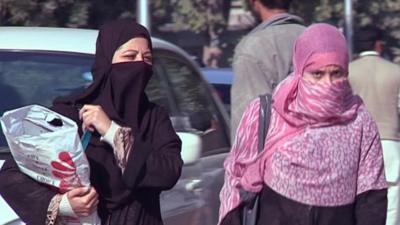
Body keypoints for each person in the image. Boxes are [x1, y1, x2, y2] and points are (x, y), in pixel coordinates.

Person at [0, 19, 183, 225]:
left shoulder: (154, 118)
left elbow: (168, 172)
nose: (140, 64)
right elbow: (10, 176)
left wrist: (113, 132)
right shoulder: (69, 117)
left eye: (147, 58)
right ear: (106, 63)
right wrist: (62, 205)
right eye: (129, 56)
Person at [219, 23, 388, 225]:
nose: (327, 84)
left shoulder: (359, 120)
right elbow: (236, 181)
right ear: (300, 70)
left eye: (337, 74)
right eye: (317, 74)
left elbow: (371, 198)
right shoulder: (267, 114)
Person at [230, 0, 305, 139]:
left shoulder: (253, 48)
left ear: (255, 3)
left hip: (277, 155)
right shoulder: (321, 41)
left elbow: (248, 126)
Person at [349, 25, 400, 225]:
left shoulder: (348, 72)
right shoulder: (395, 72)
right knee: (392, 203)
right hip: (390, 144)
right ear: (378, 45)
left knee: (357, 198)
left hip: (357, 144)